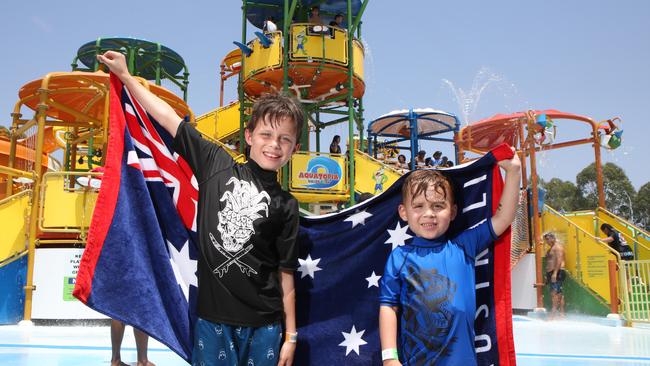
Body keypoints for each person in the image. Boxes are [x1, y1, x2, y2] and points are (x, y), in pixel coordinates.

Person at [98, 50, 302, 366]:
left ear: (294, 148)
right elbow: (167, 118)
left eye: (284, 139)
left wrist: (290, 336)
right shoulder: (215, 164)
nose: (274, 144)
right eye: (266, 134)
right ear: (248, 136)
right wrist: (126, 77)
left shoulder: (287, 205)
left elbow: (285, 276)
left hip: (265, 326)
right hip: (212, 323)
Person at [378, 148, 521, 365]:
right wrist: (389, 358)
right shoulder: (399, 258)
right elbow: (388, 306)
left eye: (438, 206)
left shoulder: (463, 246)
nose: (429, 214)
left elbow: (504, 217)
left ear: (452, 212)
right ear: (403, 212)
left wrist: (513, 173)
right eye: (418, 206)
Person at [543, 232, 565, 319]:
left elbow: (559, 260)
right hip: (551, 273)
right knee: (558, 293)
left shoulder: (557, 248)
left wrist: (555, 273)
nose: (547, 241)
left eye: (548, 239)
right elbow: (549, 260)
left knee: (554, 293)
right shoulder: (551, 248)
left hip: (557, 272)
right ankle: (561, 314)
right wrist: (547, 274)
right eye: (546, 240)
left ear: (553, 238)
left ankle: (553, 313)